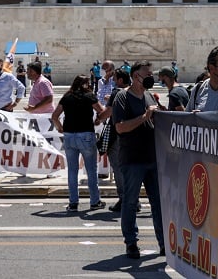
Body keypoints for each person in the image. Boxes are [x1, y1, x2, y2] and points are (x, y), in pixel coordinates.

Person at [112, 61, 164, 259]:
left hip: (152, 158)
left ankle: (163, 243)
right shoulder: (122, 98)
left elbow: (158, 116)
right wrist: (144, 116)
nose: (151, 77)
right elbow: (120, 127)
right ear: (135, 77)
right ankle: (131, 243)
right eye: (147, 74)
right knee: (130, 202)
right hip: (132, 159)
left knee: (157, 203)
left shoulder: (149, 95)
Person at [51, 74, 107, 212]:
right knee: (91, 170)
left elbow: (54, 116)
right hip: (86, 134)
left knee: (72, 170)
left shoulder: (67, 97)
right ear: (86, 84)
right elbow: (102, 110)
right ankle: (94, 201)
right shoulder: (89, 96)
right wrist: (98, 120)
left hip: (69, 135)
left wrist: (60, 128)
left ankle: (73, 202)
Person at [98, 68, 131, 213]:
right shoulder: (135, 91)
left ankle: (124, 199)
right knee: (131, 169)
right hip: (133, 134)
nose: (112, 81)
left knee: (118, 168)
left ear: (120, 80)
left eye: (114, 79)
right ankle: (133, 200)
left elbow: (107, 113)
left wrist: (98, 118)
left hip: (118, 135)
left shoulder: (117, 93)